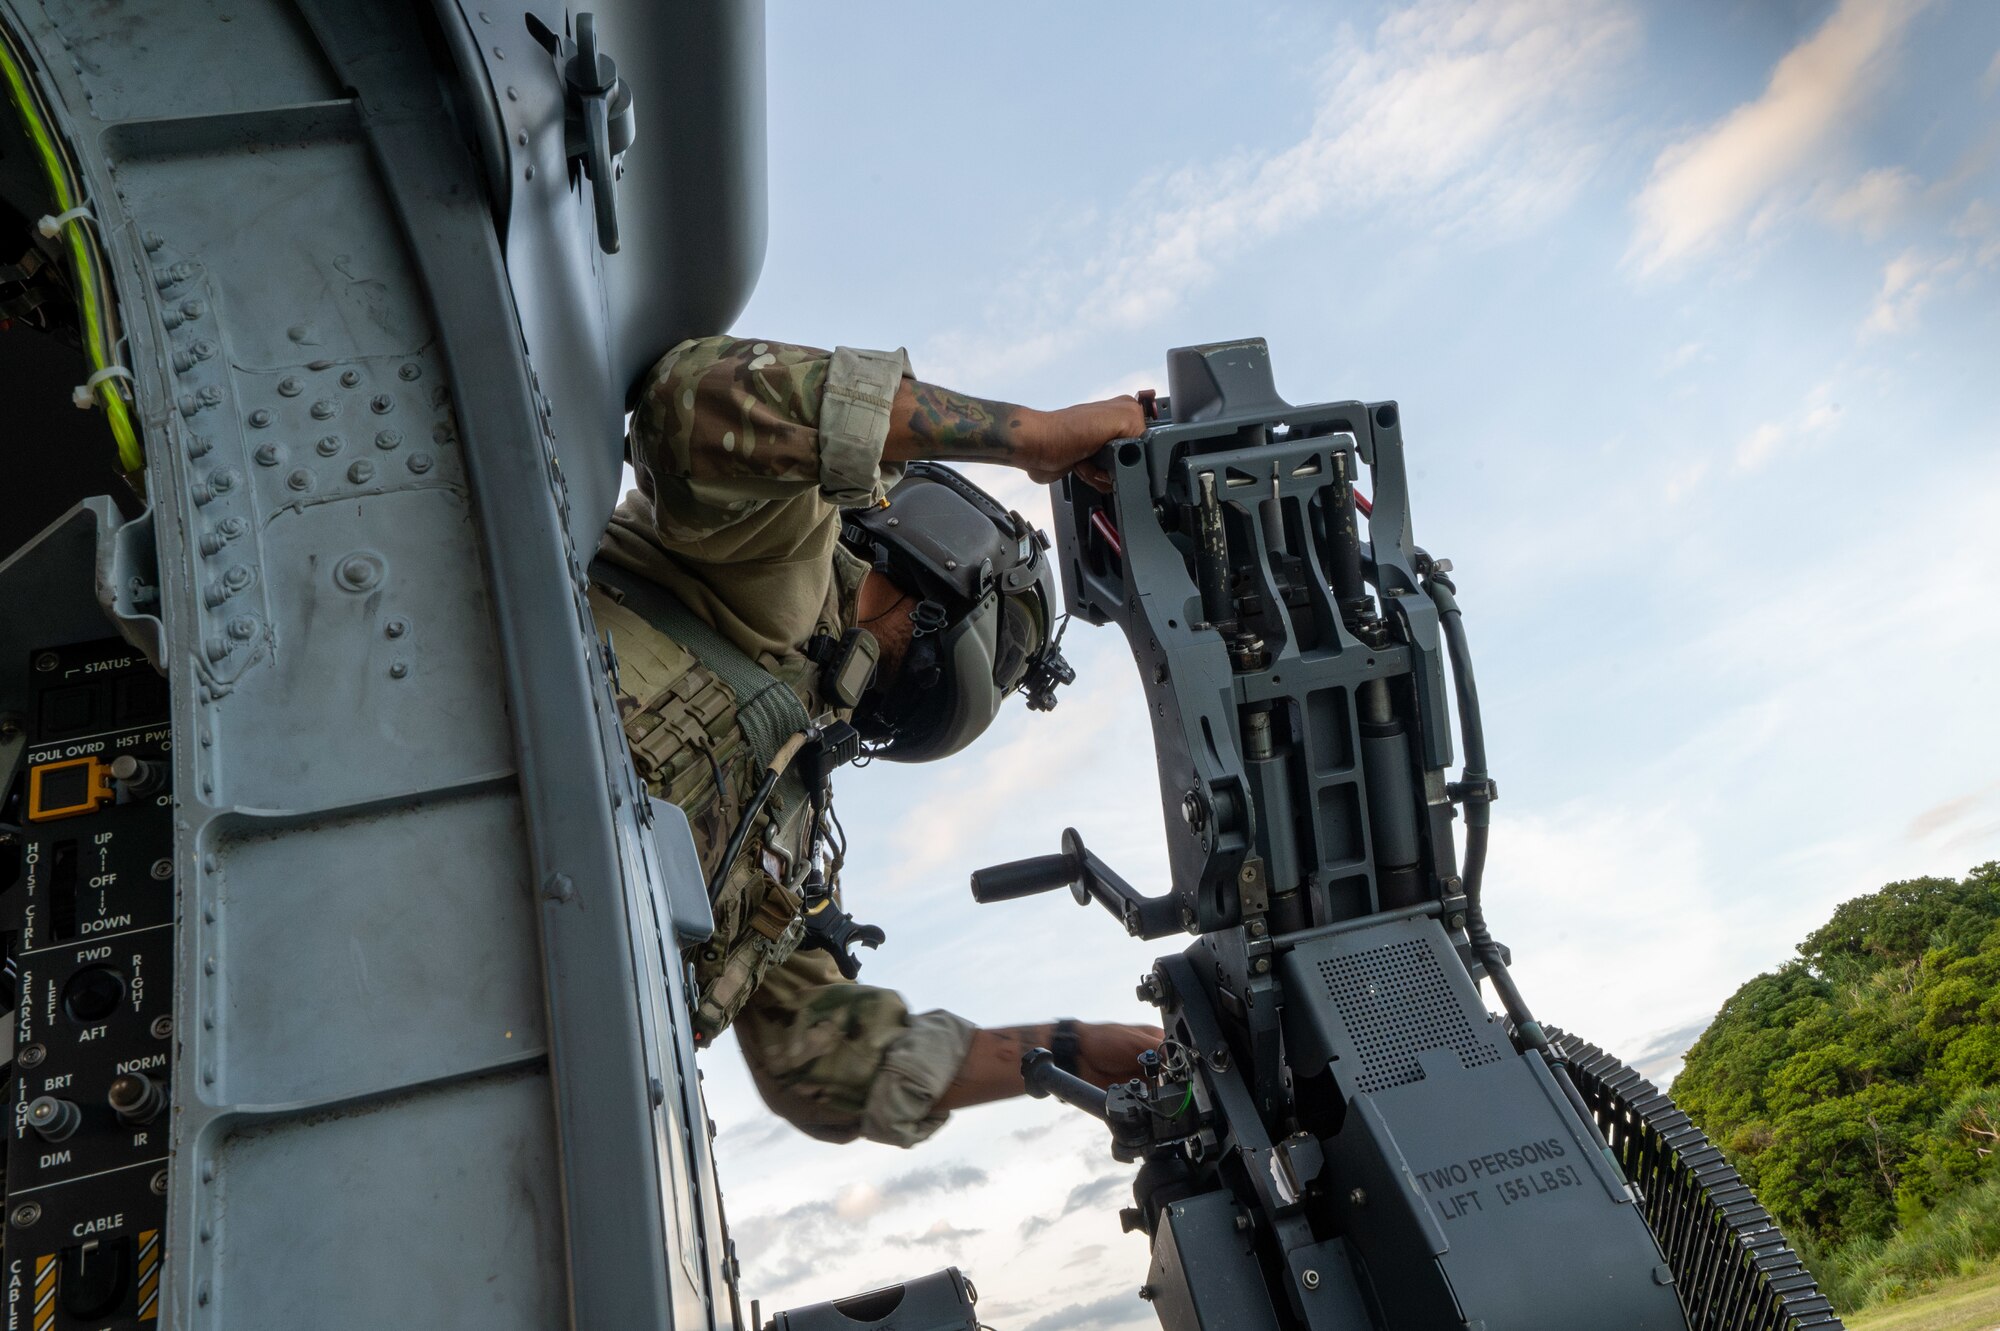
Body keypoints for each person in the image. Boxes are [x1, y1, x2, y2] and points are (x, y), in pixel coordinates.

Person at [589, 336, 1160, 1148]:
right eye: (1003, 647)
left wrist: (1066, 1049)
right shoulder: (783, 554)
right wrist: (1032, 436)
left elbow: (822, 1056)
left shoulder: (785, 821)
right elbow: (689, 402)